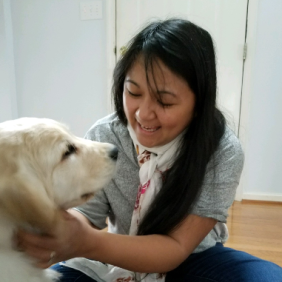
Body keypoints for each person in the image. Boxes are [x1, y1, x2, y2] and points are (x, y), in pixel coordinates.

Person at [17, 18, 282, 282]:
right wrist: (58, 236)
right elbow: (86, 215)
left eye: (164, 101)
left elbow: (176, 247)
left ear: (199, 102)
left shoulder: (221, 151)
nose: (143, 114)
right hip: (114, 252)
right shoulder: (106, 135)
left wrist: (86, 242)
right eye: (133, 92)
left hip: (192, 258)